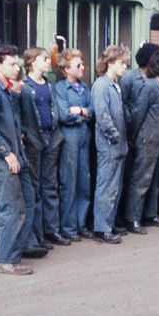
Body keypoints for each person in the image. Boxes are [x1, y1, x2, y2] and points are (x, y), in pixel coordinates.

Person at [0, 44, 36, 275]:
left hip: (7, 156)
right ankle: (8, 260)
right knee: (14, 208)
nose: (17, 67)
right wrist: (8, 153)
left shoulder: (5, 90)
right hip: (3, 159)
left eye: (17, 62)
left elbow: (7, 122)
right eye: (12, 64)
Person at [124, 50, 159, 234]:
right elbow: (138, 113)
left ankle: (150, 214)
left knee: (155, 179)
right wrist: (134, 136)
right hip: (148, 139)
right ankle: (133, 218)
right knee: (141, 179)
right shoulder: (150, 86)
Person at [21, 47, 65, 249]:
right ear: (32, 61)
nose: (48, 62)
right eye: (44, 58)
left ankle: (51, 230)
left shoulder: (48, 84)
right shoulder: (25, 86)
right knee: (35, 187)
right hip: (34, 140)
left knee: (50, 186)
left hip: (51, 138)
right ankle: (36, 234)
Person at [91, 45, 131, 244]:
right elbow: (103, 116)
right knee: (106, 186)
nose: (125, 67)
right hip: (110, 145)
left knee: (114, 186)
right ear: (110, 63)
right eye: (122, 63)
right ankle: (102, 228)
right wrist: (115, 136)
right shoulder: (101, 85)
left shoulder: (115, 85)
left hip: (118, 144)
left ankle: (109, 222)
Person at [54, 49, 93, 243]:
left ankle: (81, 224)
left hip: (85, 136)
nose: (83, 68)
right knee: (68, 182)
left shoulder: (85, 88)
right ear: (66, 69)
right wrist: (81, 114)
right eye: (79, 65)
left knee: (84, 182)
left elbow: (92, 111)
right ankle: (68, 227)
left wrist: (78, 111)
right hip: (69, 138)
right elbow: (63, 115)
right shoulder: (60, 88)